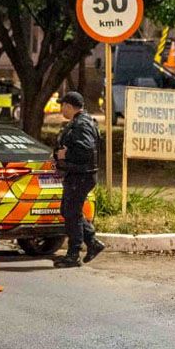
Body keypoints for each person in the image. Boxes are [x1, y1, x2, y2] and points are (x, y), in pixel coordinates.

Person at [53, 91, 106, 268]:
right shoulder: (81, 122)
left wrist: (65, 154)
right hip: (79, 174)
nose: (62, 109)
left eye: (63, 105)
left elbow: (85, 150)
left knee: (71, 213)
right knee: (70, 211)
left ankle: (73, 254)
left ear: (69, 106)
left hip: (80, 175)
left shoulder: (81, 124)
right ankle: (92, 242)